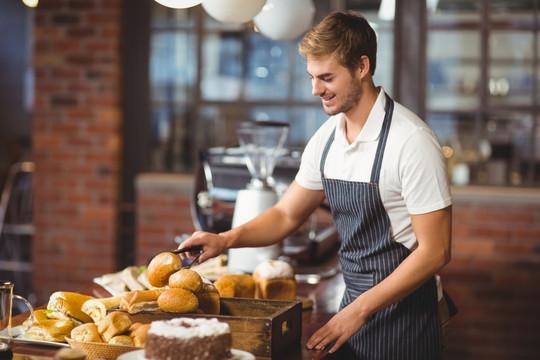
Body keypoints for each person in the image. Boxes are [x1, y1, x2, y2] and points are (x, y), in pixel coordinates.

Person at [179, 10, 453, 360]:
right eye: (311, 77)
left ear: (362, 67)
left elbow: (436, 251)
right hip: (352, 305)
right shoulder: (327, 139)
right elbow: (285, 214)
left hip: (407, 317)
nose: (315, 89)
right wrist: (225, 240)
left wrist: (358, 311)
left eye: (326, 77)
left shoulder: (411, 141)